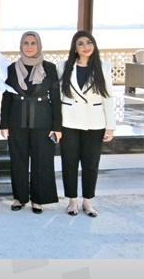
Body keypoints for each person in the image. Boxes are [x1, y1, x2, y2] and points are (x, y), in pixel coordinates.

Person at [0, 31, 62, 214]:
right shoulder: (12, 68)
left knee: (42, 161)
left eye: (33, 43)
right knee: (18, 161)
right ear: (20, 46)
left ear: (39, 45)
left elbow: (56, 99)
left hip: (43, 121)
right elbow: (7, 97)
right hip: (17, 121)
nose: (29, 46)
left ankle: (38, 199)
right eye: (25, 43)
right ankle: (19, 197)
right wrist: (4, 124)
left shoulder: (49, 68)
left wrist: (57, 126)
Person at [58, 30, 116, 218]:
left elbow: (108, 98)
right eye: (81, 43)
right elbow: (57, 97)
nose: (86, 46)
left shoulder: (104, 67)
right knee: (69, 163)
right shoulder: (63, 66)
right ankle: (72, 201)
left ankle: (88, 201)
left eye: (89, 42)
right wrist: (56, 126)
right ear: (75, 48)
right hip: (69, 122)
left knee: (91, 164)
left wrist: (110, 126)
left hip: (95, 122)